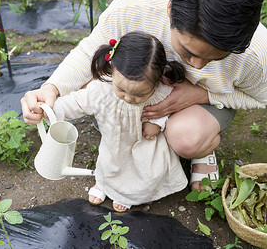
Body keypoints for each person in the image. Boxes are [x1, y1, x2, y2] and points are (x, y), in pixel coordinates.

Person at [21, 0, 267, 192]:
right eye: (187, 51)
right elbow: (91, 49)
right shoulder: (135, 7)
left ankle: (201, 149)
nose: (198, 66)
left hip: (206, 100)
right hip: (150, 85)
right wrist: (52, 88)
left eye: (215, 57)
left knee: (185, 139)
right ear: (170, 10)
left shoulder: (257, 55)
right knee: (96, 83)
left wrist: (201, 94)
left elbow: (260, 99)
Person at [50, 31, 188, 212]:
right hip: (115, 143)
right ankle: (104, 184)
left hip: (144, 145)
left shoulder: (161, 92)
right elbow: (76, 102)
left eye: (140, 94)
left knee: (145, 171)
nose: (129, 98)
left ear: (157, 80)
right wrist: (51, 109)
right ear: (112, 71)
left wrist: (157, 123)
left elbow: (171, 108)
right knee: (110, 165)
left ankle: (131, 194)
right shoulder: (101, 90)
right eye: (121, 89)